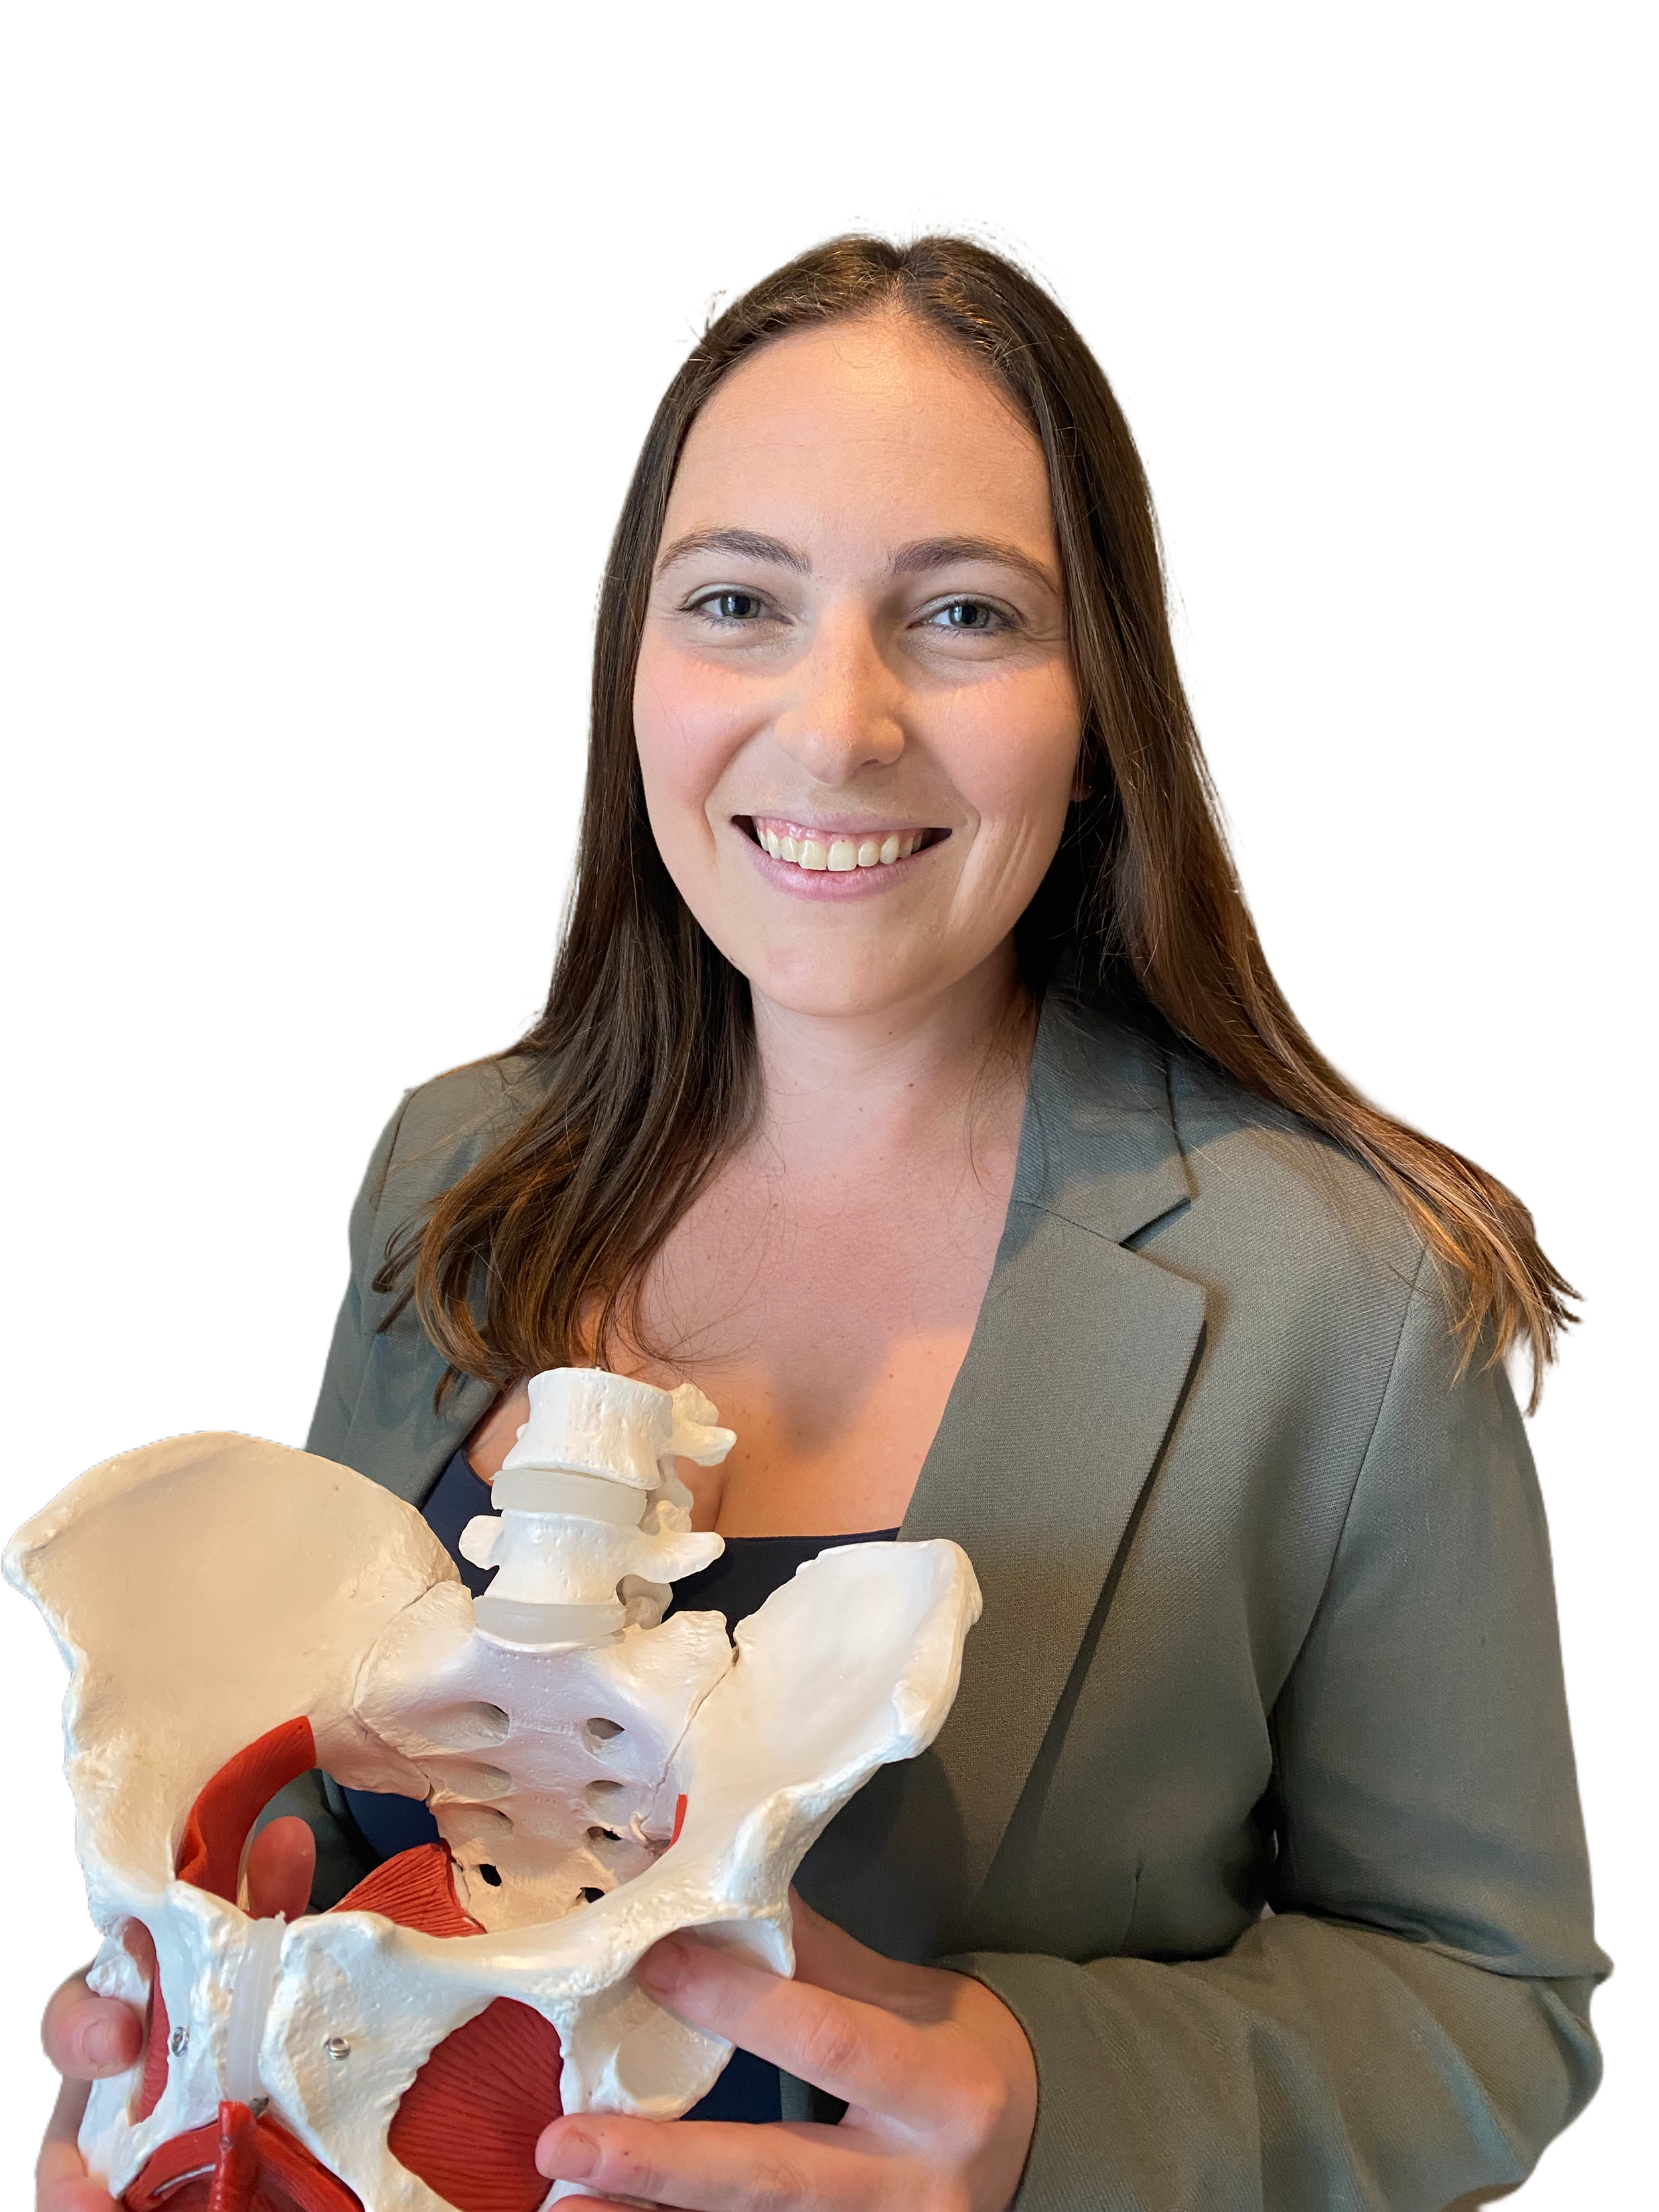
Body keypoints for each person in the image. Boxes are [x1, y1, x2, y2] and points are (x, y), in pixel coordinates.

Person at [38, 212, 1613, 2212]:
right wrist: (206, 2027)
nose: (837, 724)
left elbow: (1490, 2001)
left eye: (961, 615)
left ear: (1101, 695)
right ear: (635, 666)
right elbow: (349, 1853)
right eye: (736, 601)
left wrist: (1050, 2094)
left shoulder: (1358, 1299)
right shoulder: (451, 1175)